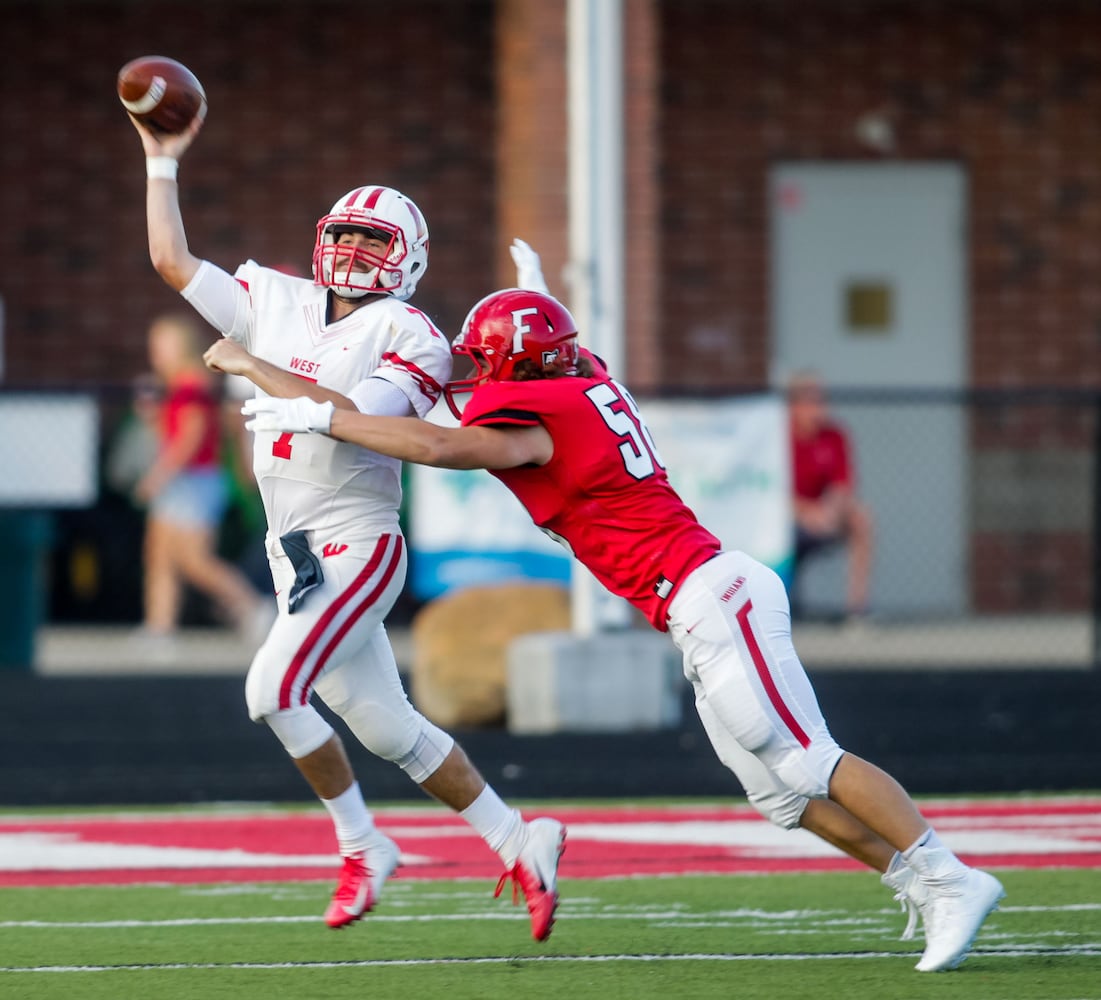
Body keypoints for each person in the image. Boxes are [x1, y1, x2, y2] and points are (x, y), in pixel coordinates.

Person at [243, 273, 1005, 973]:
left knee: (805, 759)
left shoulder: (539, 413)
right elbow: (514, 379)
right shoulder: (584, 380)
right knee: (779, 798)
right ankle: (918, 879)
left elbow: (442, 442)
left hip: (712, 594)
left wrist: (323, 417)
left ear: (522, 368)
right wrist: (533, 293)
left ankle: (949, 875)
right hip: (695, 605)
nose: (473, 374)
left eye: (487, 361)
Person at [127, 113, 565, 940]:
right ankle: (519, 837)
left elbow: (353, 417)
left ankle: (363, 844)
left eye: (376, 244)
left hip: (356, 537)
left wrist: (255, 366)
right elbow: (170, 260)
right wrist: (161, 162)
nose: (356, 257)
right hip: (293, 546)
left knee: (269, 691)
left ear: (410, 261)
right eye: (348, 239)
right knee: (387, 726)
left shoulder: (409, 333)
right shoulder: (276, 297)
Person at [132, 312, 272, 642]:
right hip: (182, 479)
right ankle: (159, 626)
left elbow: (191, 438)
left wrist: (159, 476)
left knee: (194, 559)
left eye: (164, 345)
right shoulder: (174, 385)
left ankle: (253, 606)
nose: (157, 354)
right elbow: (170, 433)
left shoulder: (193, 382)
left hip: (195, 481)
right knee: (159, 555)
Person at [787, 371, 875, 621]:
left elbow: (842, 486)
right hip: (789, 517)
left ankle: (857, 611)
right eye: (811, 399)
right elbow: (770, 491)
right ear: (794, 404)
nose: (820, 407)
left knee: (862, 518)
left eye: (822, 399)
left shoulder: (834, 435)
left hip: (824, 516)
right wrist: (806, 512)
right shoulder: (778, 435)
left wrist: (829, 512)